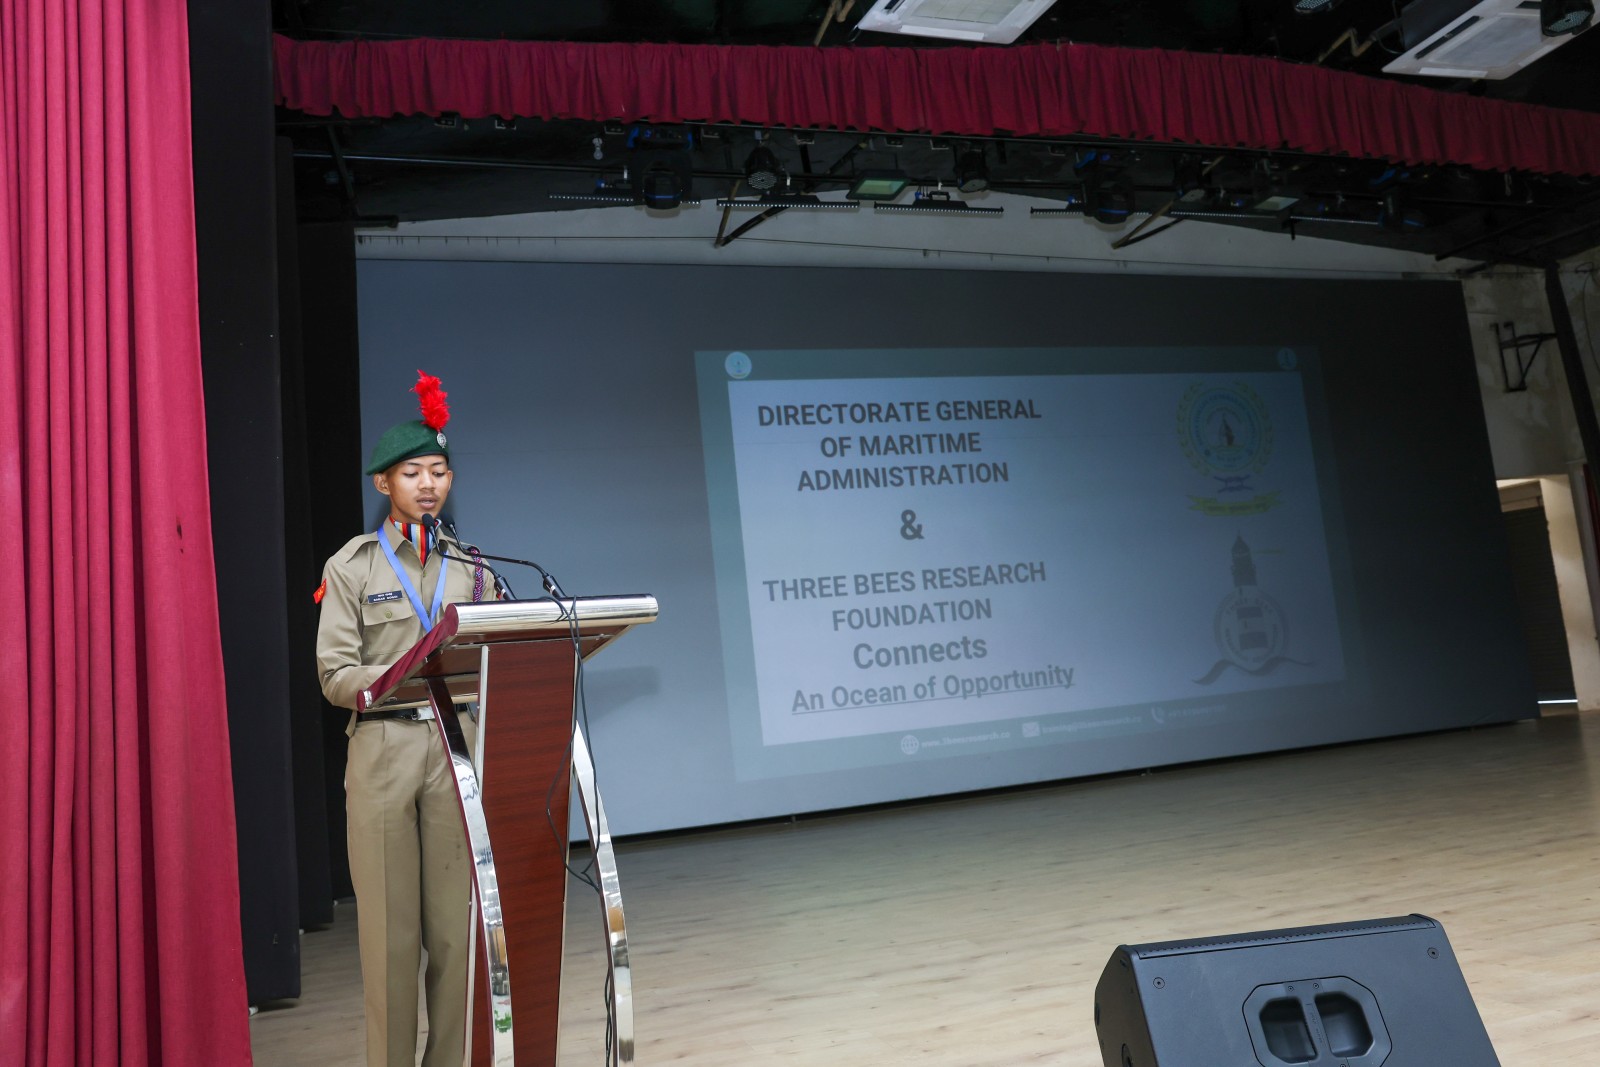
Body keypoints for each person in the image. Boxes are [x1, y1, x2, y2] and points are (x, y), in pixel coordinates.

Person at [314, 370, 494, 1067]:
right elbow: (334, 675)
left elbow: (497, 655)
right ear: (383, 483)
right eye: (413, 473)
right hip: (385, 748)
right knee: (391, 942)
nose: (428, 484)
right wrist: (396, 677)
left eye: (439, 473)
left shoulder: (473, 568)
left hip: (457, 751)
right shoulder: (353, 567)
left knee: (455, 935)